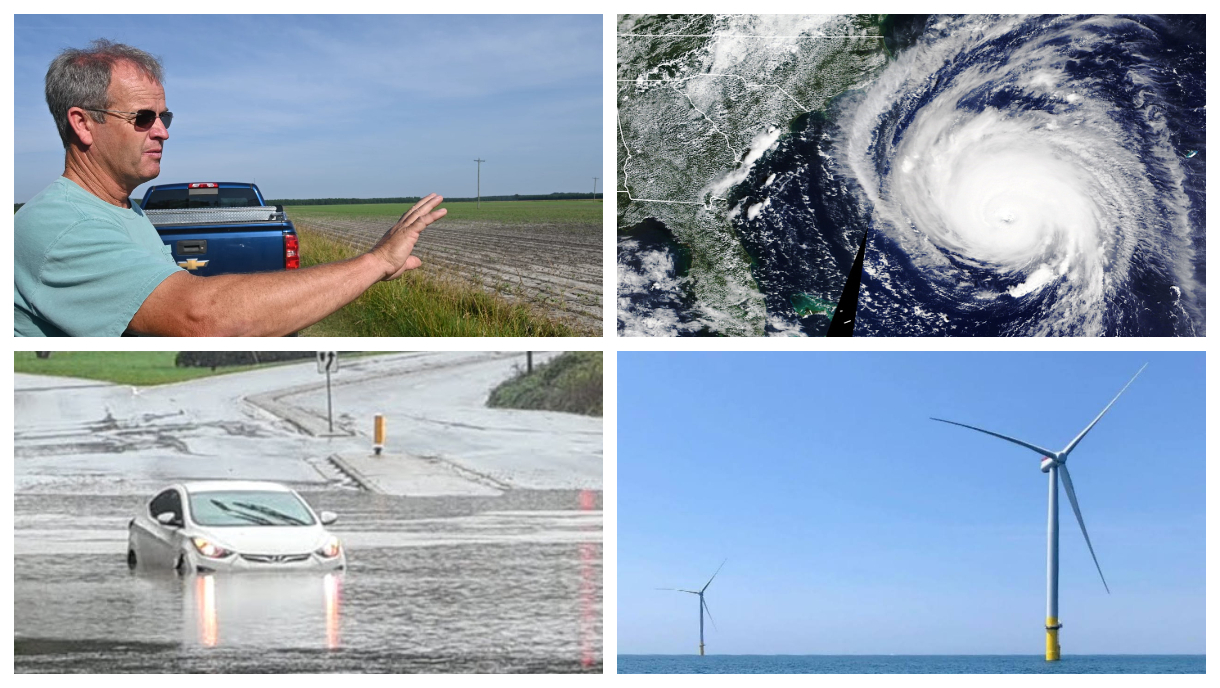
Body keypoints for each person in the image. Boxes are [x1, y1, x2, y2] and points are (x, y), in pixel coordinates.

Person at [15, 39, 446, 336]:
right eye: (143, 118)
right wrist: (373, 263)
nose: (162, 132)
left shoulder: (126, 210)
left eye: (166, 117)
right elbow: (201, 318)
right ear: (82, 123)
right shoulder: (62, 227)